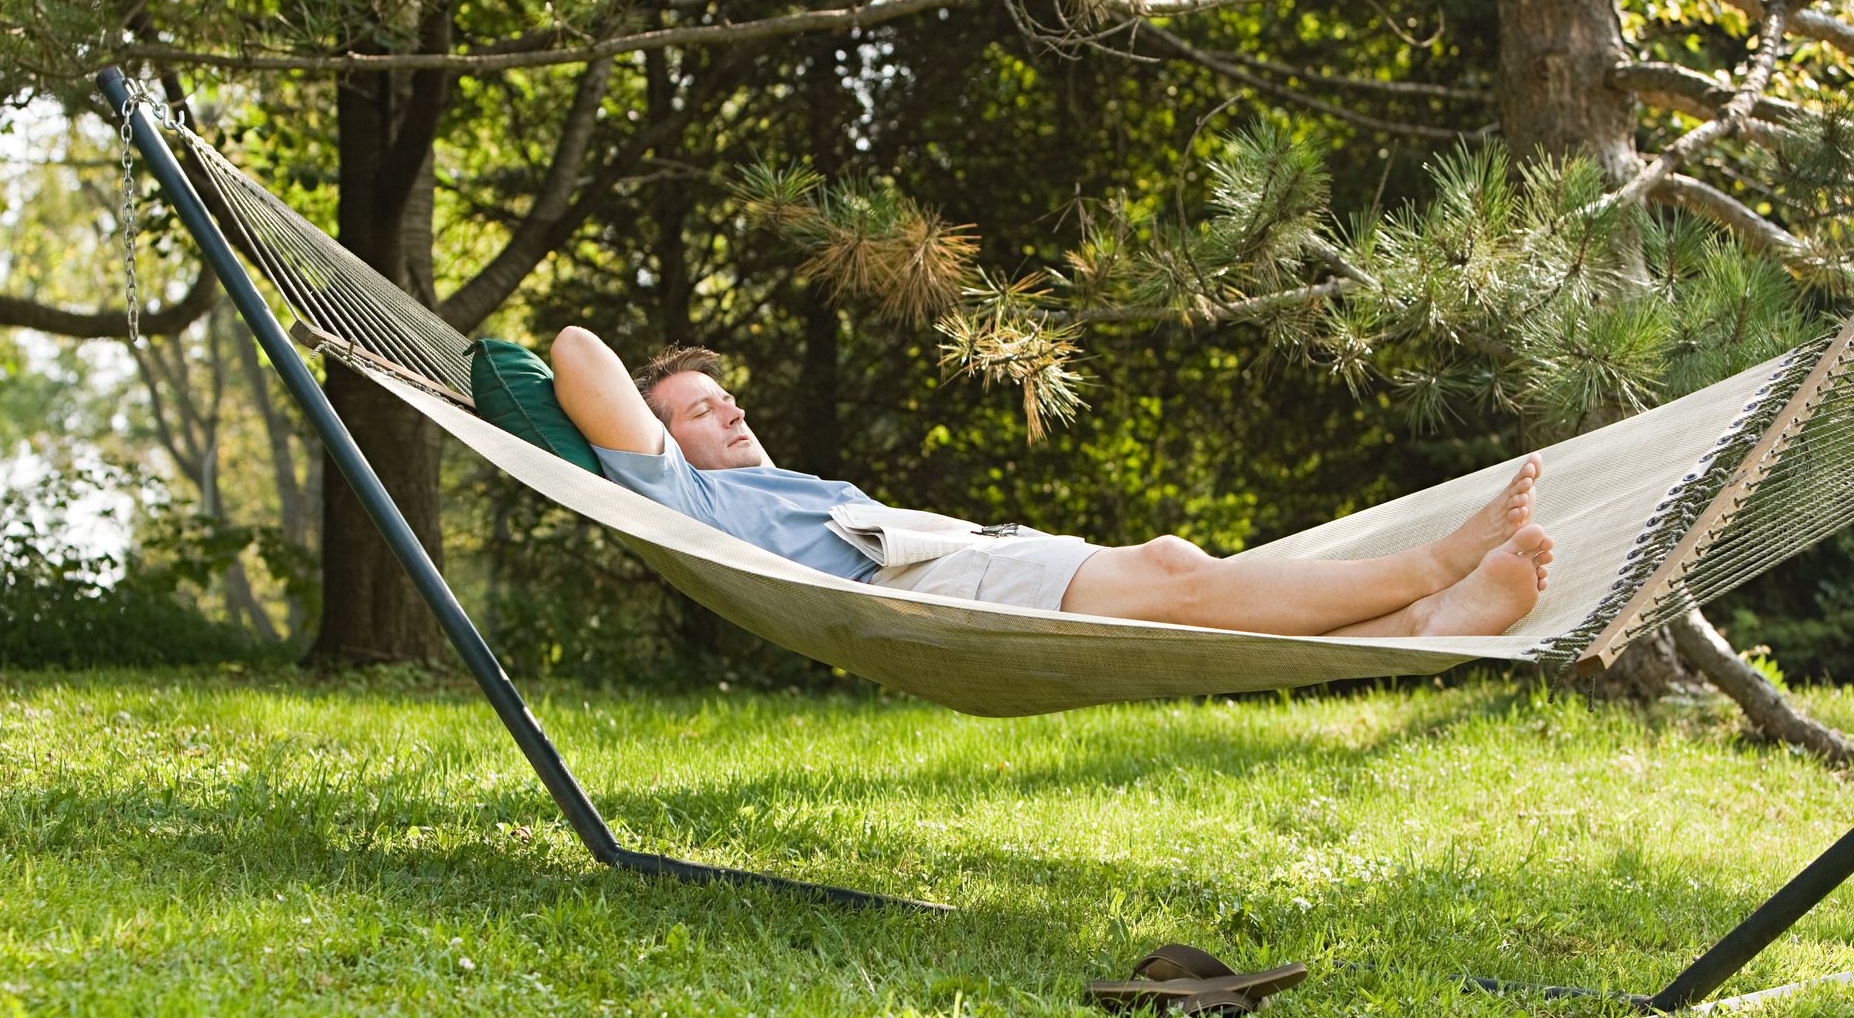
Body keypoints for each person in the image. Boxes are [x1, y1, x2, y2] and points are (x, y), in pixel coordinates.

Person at [549, 326, 1554, 638]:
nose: (728, 408)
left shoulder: (784, 485)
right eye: (697, 407)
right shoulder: (685, 496)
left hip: (968, 554)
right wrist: (655, 429)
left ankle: (1428, 624)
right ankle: (1432, 566)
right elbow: (573, 349)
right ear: (659, 441)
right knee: (1183, 589)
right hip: (920, 592)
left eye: (728, 397)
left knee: (1175, 565)